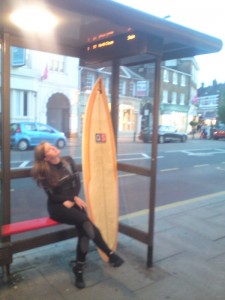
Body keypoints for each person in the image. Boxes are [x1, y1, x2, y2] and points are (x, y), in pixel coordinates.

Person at [31, 142, 124, 289]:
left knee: (84, 234)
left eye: (52, 145)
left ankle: (79, 270)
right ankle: (110, 254)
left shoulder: (68, 161)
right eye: (49, 149)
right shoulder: (45, 171)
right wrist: (67, 200)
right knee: (85, 222)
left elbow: (77, 183)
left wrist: (73, 197)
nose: (53, 147)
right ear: (45, 157)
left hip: (73, 202)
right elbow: (53, 197)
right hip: (57, 208)